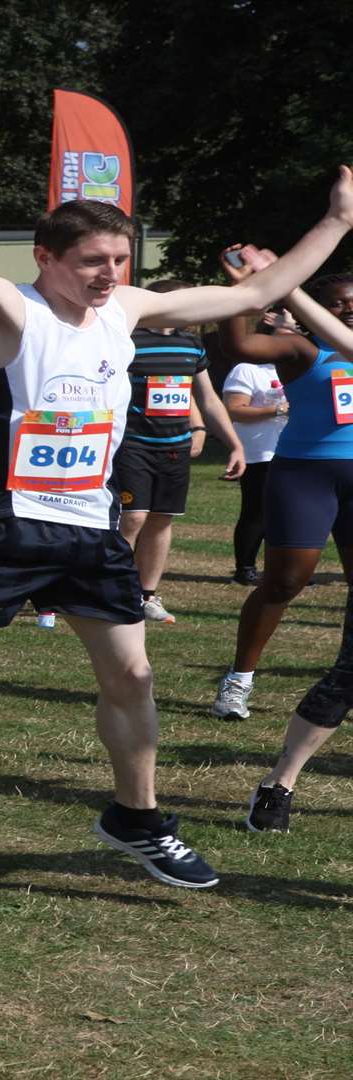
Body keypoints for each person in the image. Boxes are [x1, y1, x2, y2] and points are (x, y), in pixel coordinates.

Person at [0, 102, 353, 910]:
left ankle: (136, 816)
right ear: (46, 258)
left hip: (89, 529)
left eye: (119, 257)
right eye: (91, 260)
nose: (109, 273)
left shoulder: (126, 309)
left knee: (133, 674)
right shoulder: (7, 309)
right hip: (2, 526)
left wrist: (335, 221)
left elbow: (258, 289)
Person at [227, 249, 353, 833]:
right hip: (306, 473)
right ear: (314, 312)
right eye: (339, 305)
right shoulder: (304, 348)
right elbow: (246, 349)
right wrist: (240, 302)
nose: (349, 312)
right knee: (286, 580)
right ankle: (241, 677)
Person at [112, 279, 246, 624]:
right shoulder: (127, 339)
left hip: (174, 448)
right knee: (133, 517)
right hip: (131, 443)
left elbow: (207, 398)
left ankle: (147, 594)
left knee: (161, 518)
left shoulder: (191, 344)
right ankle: (113, 589)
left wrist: (233, 442)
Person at [221, 310, 293, 585]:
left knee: (291, 512)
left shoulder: (301, 368)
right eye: (283, 337)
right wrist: (277, 409)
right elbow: (234, 410)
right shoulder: (248, 369)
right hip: (260, 451)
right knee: (257, 511)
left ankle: (286, 570)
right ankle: (245, 569)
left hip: (295, 449)